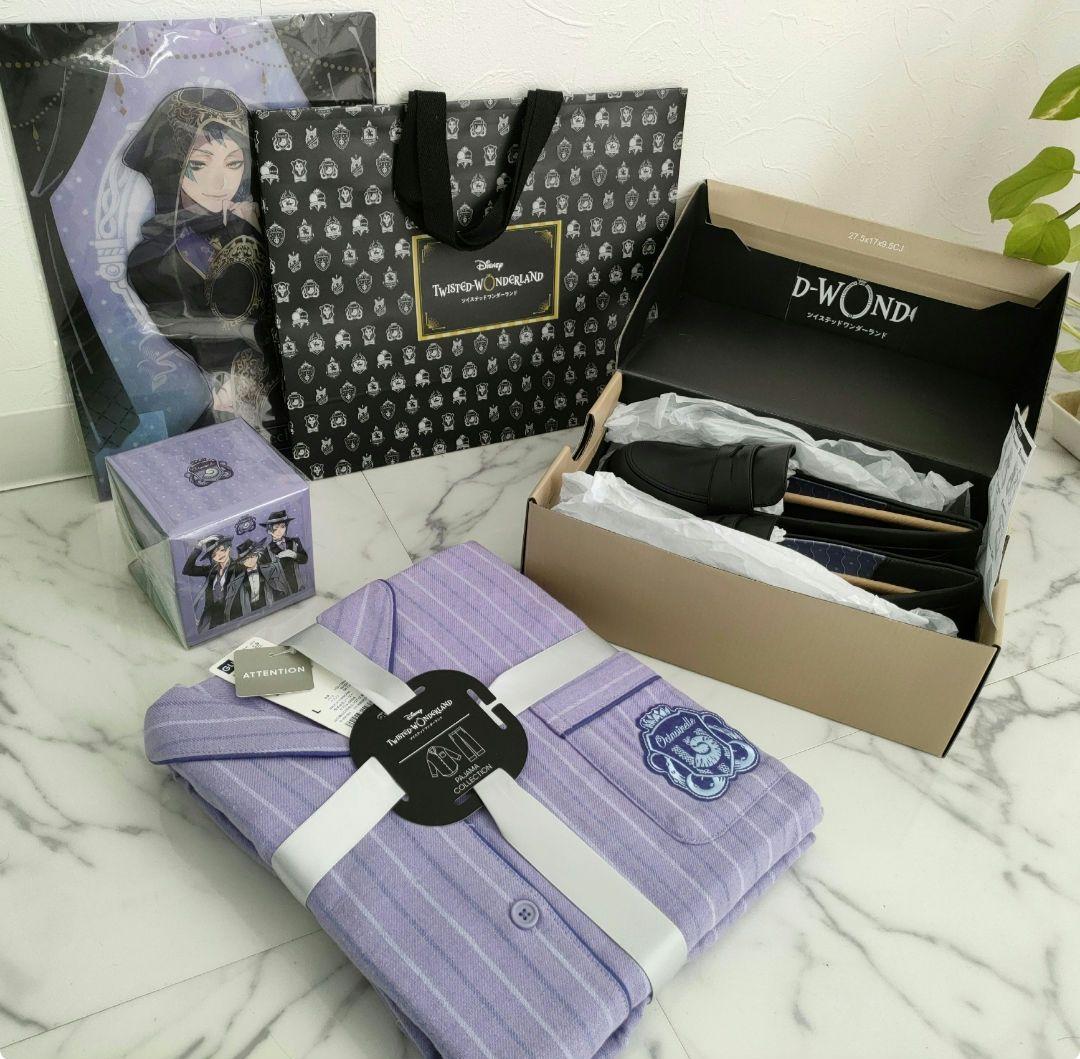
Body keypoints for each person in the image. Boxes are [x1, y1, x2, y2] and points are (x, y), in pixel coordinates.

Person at [123, 87, 274, 432]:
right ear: (171, 164)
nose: (221, 182)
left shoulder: (255, 223)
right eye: (199, 164)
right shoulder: (152, 259)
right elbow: (216, 324)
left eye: (234, 163)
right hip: (228, 395)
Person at [226, 539, 288, 621]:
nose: (250, 561)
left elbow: (281, 586)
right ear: (242, 562)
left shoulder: (270, 569)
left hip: (270, 607)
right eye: (246, 559)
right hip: (250, 612)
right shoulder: (238, 580)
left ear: (257, 555)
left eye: (252, 556)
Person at [182, 534, 234, 630]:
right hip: (209, 614)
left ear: (229, 549)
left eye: (222, 550)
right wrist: (199, 546)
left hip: (231, 613)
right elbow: (187, 570)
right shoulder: (210, 570)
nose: (219, 556)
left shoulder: (237, 567)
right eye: (213, 554)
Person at [258, 510, 308, 595]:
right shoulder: (266, 552)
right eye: (275, 528)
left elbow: (305, 559)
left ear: (286, 527)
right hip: (281, 593)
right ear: (269, 531)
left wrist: (294, 555)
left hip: (299, 587)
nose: (279, 531)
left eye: (282, 526)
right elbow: (265, 576)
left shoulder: (294, 542)